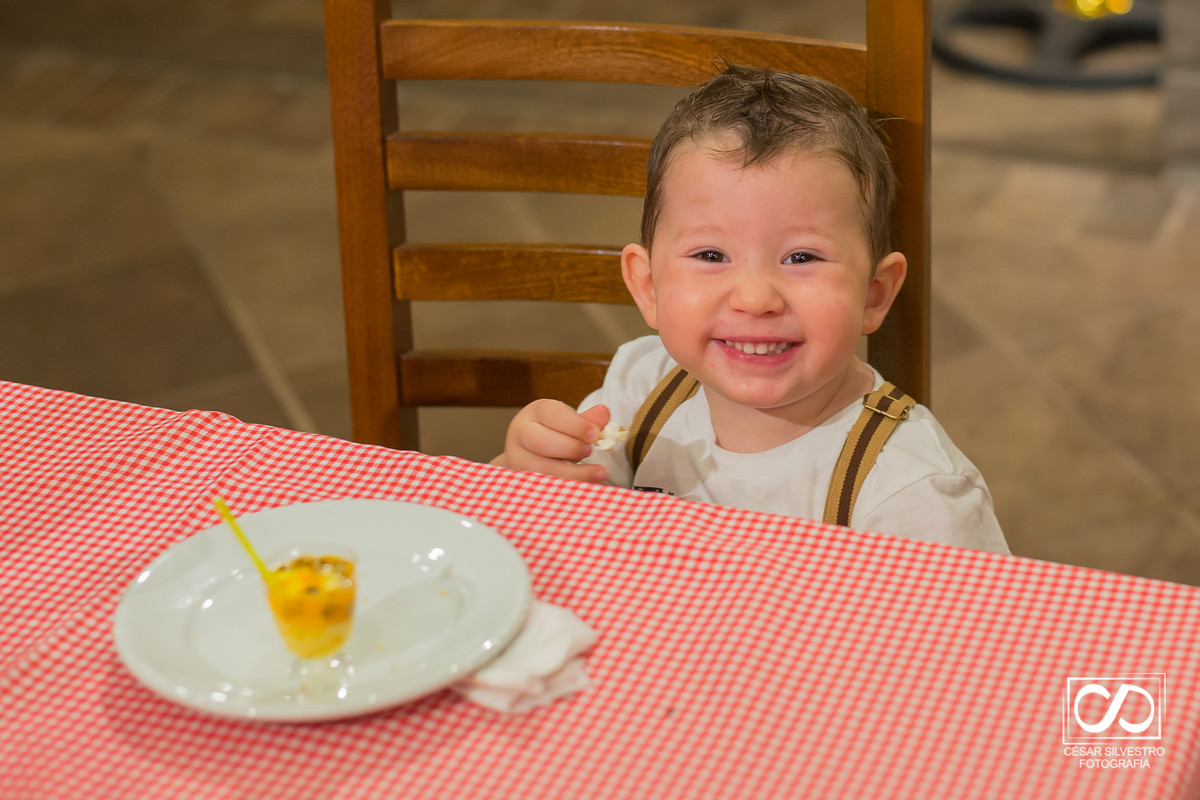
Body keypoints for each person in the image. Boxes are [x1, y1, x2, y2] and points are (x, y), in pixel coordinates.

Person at [492, 64, 1008, 554]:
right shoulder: (640, 388)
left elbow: (971, 641)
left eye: (801, 257)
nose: (756, 299)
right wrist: (533, 466)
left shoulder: (912, 493)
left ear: (874, 294)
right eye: (711, 255)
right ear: (648, 287)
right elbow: (562, 521)